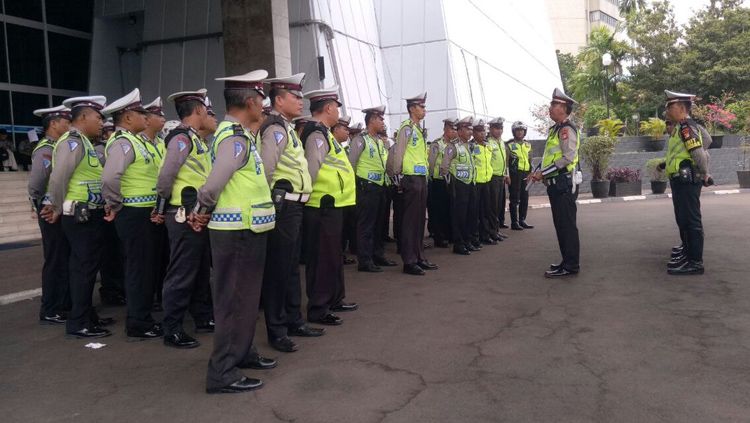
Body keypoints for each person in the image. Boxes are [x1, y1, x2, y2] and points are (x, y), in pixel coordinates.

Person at [192, 70, 276, 393]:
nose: (262, 106)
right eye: (260, 99)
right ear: (251, 102)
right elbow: (214, 183)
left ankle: (242, 352)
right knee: (232, 301)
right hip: (236, 232)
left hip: (247, 230)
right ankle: (222, 371)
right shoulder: (234, 139)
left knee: (245, 299)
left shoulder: (237, 135)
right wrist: (202, 209)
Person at [258, 73, 324, 354]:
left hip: (295, 206)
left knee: (291, 267)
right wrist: (276, 202)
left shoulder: (286, 128)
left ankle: (294, 319)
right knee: (278, 270)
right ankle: (277, 329)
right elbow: (267, 169)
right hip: (283, 207)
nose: (300, 101)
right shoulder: (274, 129)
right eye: (295, 97)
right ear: (279, 99)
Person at [41, 95, 114, 338]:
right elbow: (59, 176)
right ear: (83, 117)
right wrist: (54, 206)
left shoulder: (83, 142)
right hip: (81, 215)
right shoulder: (72, 142)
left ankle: (86, 316)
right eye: (97, 117)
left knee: (85, 268)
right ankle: (79, 323)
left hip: (88, 213)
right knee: (83, 269)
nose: (101, 122)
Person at [101, 88, 163, 338]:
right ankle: (138, 322)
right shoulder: (123, 142)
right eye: (140, 113)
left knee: (146, 267)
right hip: (133, 214)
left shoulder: (137, 141)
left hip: (143, 213)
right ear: (127, 117)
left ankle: (143, 316)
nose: (145, 117)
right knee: (138, 268)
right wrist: (116, 205)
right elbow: (109, 178)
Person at [156, 88, 215, 348]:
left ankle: (202, 317)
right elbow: (166, 176)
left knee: (200, 270)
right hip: (183, 214)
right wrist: (163, 204)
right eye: (205, 109)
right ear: (199, 110)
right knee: (182, 272)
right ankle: (173, 328)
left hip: (196, 213)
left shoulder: (195, 139)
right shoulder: (181, 138)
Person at [301, 86, 358, 326]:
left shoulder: (325, 133)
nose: (338, 112)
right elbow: (312, 169)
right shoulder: (316, 134)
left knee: (333, 256)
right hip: (322, 205)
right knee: (322, 258)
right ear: (328, 108)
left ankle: (334, 298)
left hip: (333, 204)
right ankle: (319, 307)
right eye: (336, 107)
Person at [527, 88, 581, 278]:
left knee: (566, 225)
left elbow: (567, 158)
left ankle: (571, 265)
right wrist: (537, 171)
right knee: (561, 225)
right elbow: (548, 157)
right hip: (556, 184)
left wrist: (544, 173)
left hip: (564, 184)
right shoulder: (555, 130)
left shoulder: (566, 130)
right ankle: (566, 261)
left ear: (564, 108)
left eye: (553, 104)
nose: (550, 108)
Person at [28, 105, 72, 325]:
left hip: (60, 208)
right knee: (55, 259)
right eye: (65, 120)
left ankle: (63, 304)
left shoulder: (58, 147)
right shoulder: (46, 149)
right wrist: (41, 203)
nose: (69, 124)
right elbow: (37, 182)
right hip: (49, 209)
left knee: (63, 257)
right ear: (53, 124)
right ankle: (50, 308)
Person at [386, 92, 437, 275]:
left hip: (421, 179)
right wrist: (397, 175)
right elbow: (398, 153)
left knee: (418, 221)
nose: (424, 110)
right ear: (412, 109)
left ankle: (419, 257)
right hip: (410, 179)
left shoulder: (417, 129)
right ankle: (409, 261)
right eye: (421, 107)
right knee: (409, 222)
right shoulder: (406, 129)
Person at [663, 90, 711, 275]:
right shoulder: (684, 126)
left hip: (688, 180)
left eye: (670, 106)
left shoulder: (686, 128)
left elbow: (699, 151)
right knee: (683, 219)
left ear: (682, 108)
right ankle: (688, 253)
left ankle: (695, 262)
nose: (667, 109)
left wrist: (704, 171)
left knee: (691, 221)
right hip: (681, 179)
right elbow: (706, 139)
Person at [348, 105, 397, 272]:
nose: (383, 122)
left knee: (379, 225)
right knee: (366, 225)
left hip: (381, 187)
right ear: (371, 121)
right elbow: (351, 164)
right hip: (367, 187)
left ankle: (378, 255)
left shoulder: (379, 142)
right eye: (380, 119)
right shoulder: (360, 140)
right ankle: (365, 259)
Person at [94, 118, 126, 306]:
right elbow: (107, 179)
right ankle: (110, 291)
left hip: (113, 204)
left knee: (117, 253)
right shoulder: (102, 150)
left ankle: (116, 289)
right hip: (108, 205)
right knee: (110, 254)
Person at [142, 96, 169, 310]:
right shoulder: (135, 142)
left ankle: (159, 299)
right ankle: (142, 311)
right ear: (147, 119)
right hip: (139, 211)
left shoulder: (160, 143)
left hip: (158, 208)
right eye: (158, 115)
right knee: (143, 263)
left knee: (160, 260)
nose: (163, 118)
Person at [440, 116, 476, 255]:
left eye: (471, 129)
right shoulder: (453, 146)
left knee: (469, 214)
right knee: (459, 215)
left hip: (470, 184)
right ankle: (459, 244)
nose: (470, 132)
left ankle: (467, 241)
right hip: (458, 185)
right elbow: (445, 166)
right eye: (467, 129)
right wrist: (450, 182)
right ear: (459, 130)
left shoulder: (469, 146)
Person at [427, 119, 456, 248]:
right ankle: (439, 237)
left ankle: (449, 234)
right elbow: (431, 162)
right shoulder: (437, 144)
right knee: (439, 210)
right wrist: (431, 178)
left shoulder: (456, 145)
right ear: (445, 129)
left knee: (450, 209)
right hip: (439, 180)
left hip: (452, 180)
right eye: (451, 129)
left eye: (455, 129)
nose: (453, 132)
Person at [334, 115, 357, 264]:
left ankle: (340, 254)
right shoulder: (331, 146)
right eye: (344, 128)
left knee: (343, 228)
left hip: (344, 197)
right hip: (335, 197)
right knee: (337, 232)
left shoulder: (339, 147)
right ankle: (337, 256)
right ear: (336, 129)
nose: (347, 132)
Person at [471, 119, 496, 245]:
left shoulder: (487, 146)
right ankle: (475, 238)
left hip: (487, 182)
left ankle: (485, 235)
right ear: (473, 133)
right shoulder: (471, 146)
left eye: (483, 131)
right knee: (475, 212)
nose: (482, 134)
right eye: (479, 131)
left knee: (486, 210)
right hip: (475, 183)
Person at [508, 121, 534, 230]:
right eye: (518, 130)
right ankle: (514, 222)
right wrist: (507, 175)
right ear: (514, 132)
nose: (520, 132)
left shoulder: (528, 145)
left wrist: (531, 173)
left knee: (525, 197)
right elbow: (506, 162)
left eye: (522, 130)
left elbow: (530, 159)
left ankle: (522, 220)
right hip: (515, 174)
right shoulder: (509, 145)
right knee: (514, 198)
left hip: (525, 173)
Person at [486, 117, 510, 239]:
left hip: (501, 177)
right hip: (492, 178)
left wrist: (506, 174)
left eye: (500, 128)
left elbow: (504, 161)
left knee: (499, 206)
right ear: (490, 129)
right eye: (496, 128)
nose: (499, 131)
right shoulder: (488, 143)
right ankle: (492, 232)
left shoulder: (501, 142)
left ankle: (496, 229)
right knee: (492, 206)